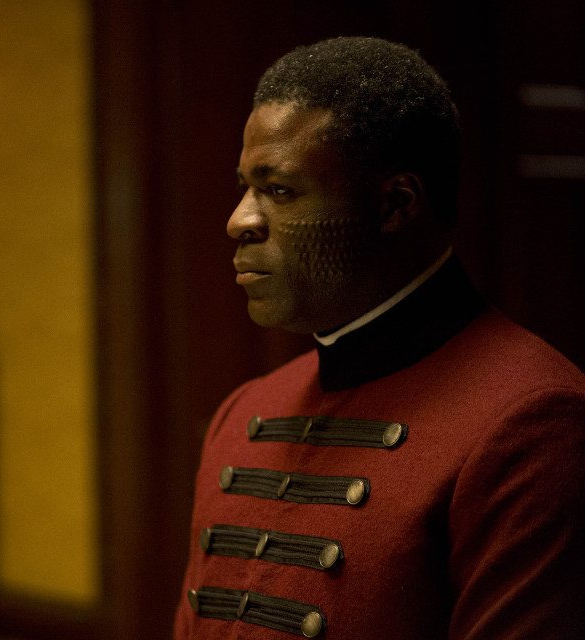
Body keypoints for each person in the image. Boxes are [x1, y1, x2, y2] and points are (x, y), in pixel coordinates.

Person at [174, 36, 585, 639]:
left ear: (395, 204)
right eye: (245, 187)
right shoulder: (244, 413)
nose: (239, 220)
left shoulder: (535, 424)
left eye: (279, 190)